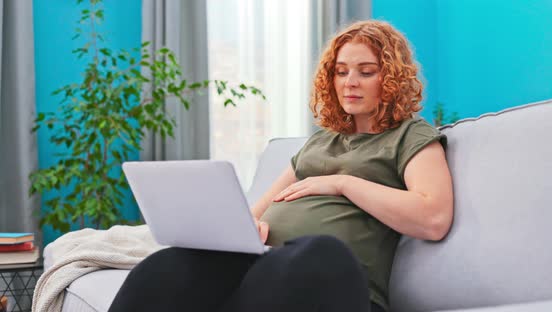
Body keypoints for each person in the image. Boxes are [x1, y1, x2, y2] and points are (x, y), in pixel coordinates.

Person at [108, 20, 453, 312]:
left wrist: (342, 183)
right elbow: (255, 214)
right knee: (173, 263)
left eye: (366, 72)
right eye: (341, 71)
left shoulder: (410, 135)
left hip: (332, 281)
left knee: (319, 250)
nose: (350, 82)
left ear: (391, 78)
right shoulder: (321, 141)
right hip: (267, 271)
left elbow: (433, 217)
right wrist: (246, 228)